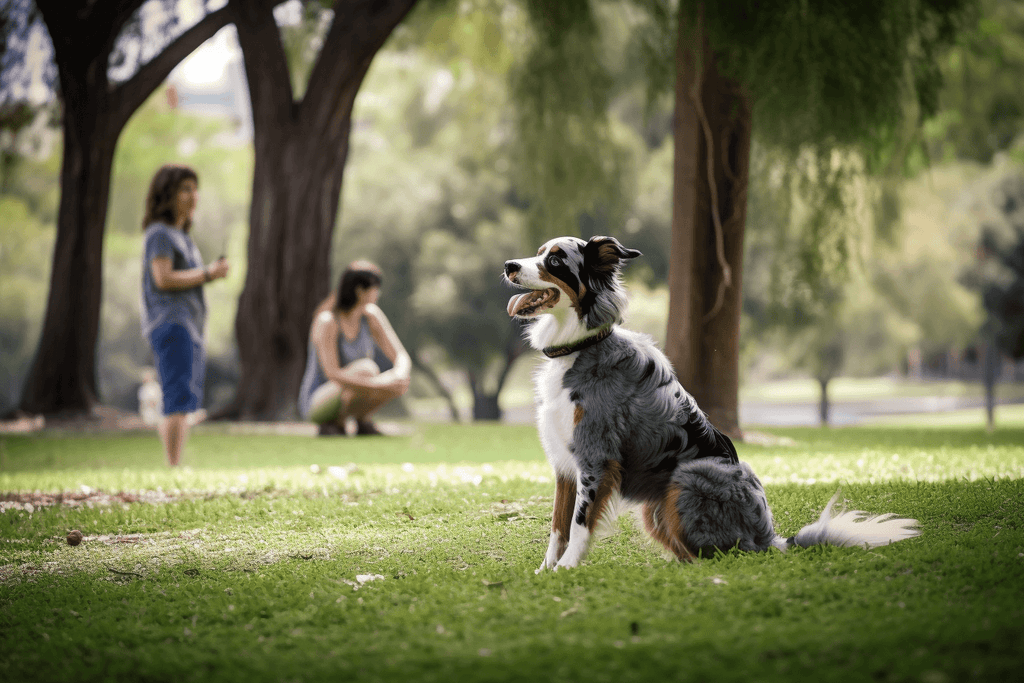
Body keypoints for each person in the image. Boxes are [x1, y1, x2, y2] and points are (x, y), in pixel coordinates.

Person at [140, 164, 230, 466]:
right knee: (177, 398)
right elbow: (163, 278)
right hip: (172, 323)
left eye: (195, 189)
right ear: (168, 194)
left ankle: (175, 464)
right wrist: (208, 273)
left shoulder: (181, 236)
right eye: (185, 189)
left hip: (189, 325)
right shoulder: (160, 234)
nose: (193, 196)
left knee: (184, 397)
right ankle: (174, 467)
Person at [298, 260, 411, 436]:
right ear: (360, 290)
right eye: (375, 288)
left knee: (395, 381)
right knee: (367, 369)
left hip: (354, 389)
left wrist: (399, 376)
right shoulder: (329, 321)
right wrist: (377, 385)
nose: (378, 293)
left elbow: (400, 355)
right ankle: (334, 423)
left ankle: (362, 421)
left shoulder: (371, 316)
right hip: (319, 400)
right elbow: (332, 373)